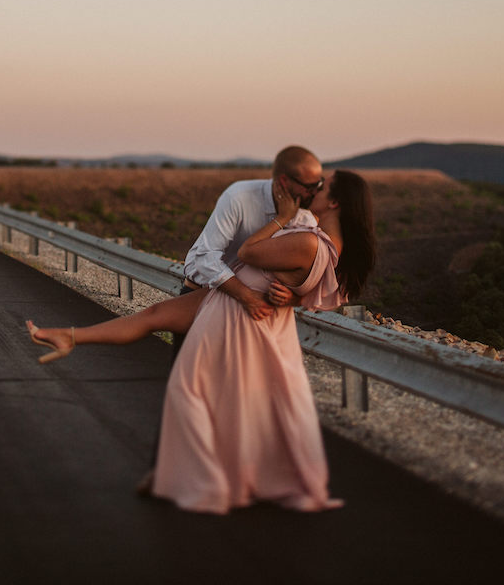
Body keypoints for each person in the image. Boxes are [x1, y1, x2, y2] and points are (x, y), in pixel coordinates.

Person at [151, 170, 375, 513]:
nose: (314, 188)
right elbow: (322, 289)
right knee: (245, 400)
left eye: (323, 185)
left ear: (333, 202)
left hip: (239, 318)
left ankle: (198, 478)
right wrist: (295, 297)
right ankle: (217, 473)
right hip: (260, 322)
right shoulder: (327, 242)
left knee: (195, 392)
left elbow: (249, 252)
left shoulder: (308, 238)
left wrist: (281, 219)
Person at [26, 145, 326, 362]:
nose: (317, 192)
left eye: (321, 185)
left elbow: (309, 283)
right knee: (186, 393)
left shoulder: (306, 221)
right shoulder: (240, 196)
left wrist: (293, 297)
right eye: (312, 185)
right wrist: (245, 295)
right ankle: (70, 336)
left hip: (252, 317)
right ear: (286, 182)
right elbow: (203, 256)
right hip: (207, 295)